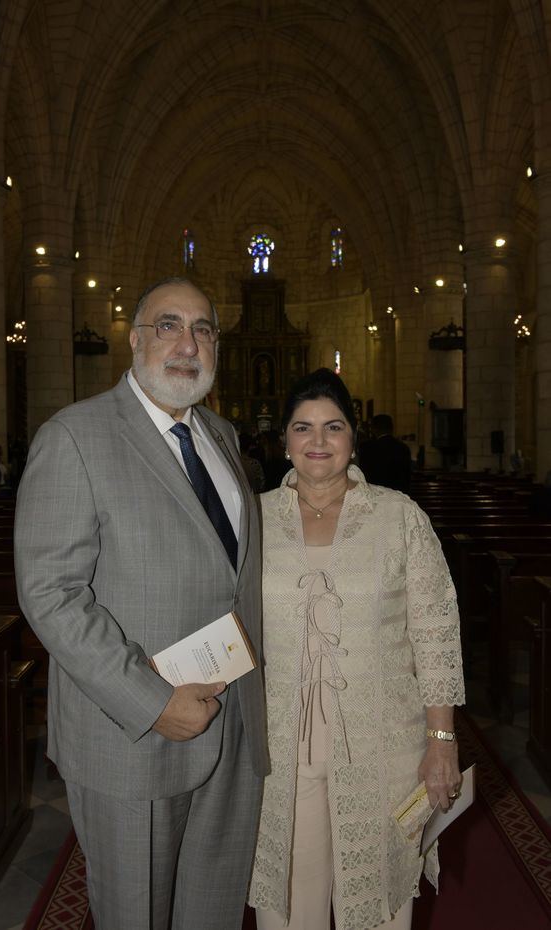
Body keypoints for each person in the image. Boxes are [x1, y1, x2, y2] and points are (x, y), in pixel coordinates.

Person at [14, 277, 268, 930]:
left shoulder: (222, 435)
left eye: (204, 329)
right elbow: (51, 594)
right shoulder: (75, 436)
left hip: (231, 725)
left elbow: (231, 577)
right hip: (133, 736)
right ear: (133, 339)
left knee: (210, 913)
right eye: (168, 325)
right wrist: (153, 703)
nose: (188, 343)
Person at [249, 368, 465, 930]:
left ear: (353, 437)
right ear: (284, 441)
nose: (318, 442)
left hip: (382, 744)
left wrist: (441, 741)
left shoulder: (399, 518)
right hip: (280, 750)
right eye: (303, 428)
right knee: (290, 904)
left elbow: (436, 632)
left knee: (381, 900)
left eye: (333, 426)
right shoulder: (253, 521)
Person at [358, 414, 412, 493]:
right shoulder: (403, 448)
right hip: (398, 496)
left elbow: (363, 474)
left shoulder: (367, 448)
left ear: (374, 429)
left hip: (375, 495)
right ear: (391, 428)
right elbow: (406, 478)